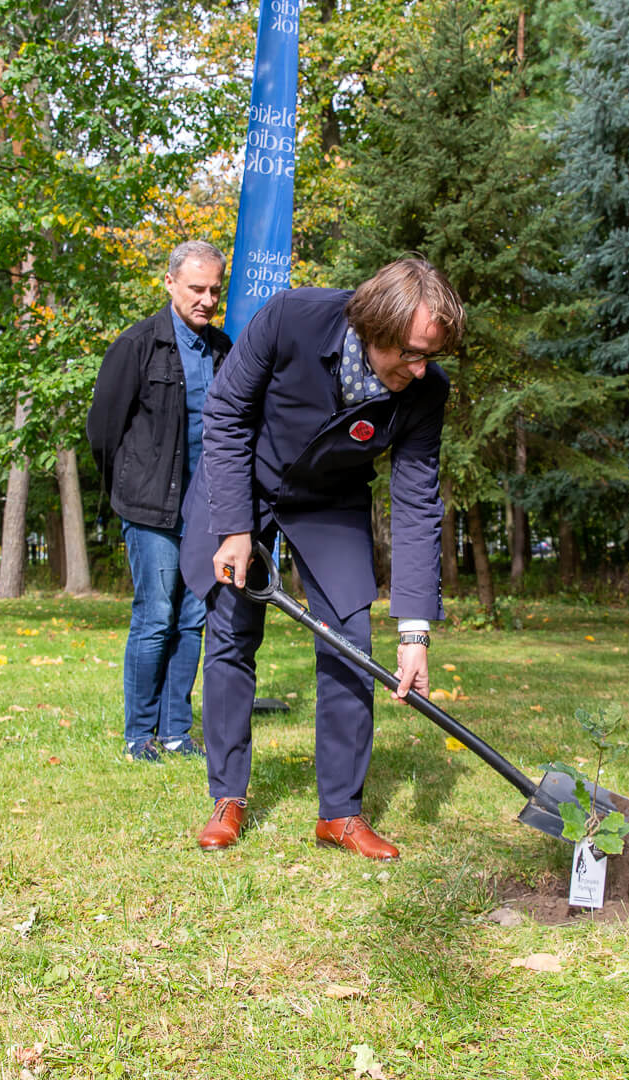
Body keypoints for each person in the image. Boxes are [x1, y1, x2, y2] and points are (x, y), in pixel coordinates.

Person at [177, 257, 463, 859]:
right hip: (244, 483)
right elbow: (226, 413)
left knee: (350, 643)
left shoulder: (425, 390)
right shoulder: (293, 318)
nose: (421, 369)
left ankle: (340, 813)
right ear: (376, 327)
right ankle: (227, 797)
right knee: (231, 634)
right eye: (411, 353)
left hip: (330, 500)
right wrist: (234, 529)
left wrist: (414, 631)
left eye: (431, 356)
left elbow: (416, 502)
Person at [87, 241, 230, 762]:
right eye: (196, 288)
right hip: (149, 510)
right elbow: (103, 430)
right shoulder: (136, 345)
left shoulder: (223, 349)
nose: (207, 300)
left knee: (192, 620)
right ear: (169, 283)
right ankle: (138, 736)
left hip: (205, 512)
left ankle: (175, 732)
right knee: (155, 617)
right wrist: (130, 488)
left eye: (215, 290)